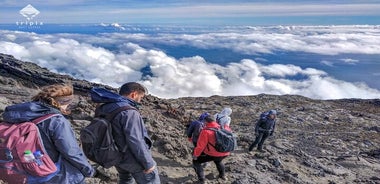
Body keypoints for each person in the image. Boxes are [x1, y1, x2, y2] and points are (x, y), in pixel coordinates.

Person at [2, 84, 95, 183]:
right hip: (50, 173)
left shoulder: (16, 114)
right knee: (76, 176)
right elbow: (71, 151)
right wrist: (89, 171)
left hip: (22, 171)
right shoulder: (56, 120)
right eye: (69, 103)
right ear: (62, 102)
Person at [90, 82, 160, 184]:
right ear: (134, 94)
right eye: (141, 97)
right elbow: (135, 140)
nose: (140, 101)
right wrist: (148, 163)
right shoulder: (129, 111)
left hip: (116, 156)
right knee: (151, 180)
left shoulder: (104, 107)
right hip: (132, 158)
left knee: (125, 179)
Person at [192, 115, 230, 183]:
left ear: (205, 122)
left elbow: (200, 146)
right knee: (218, 161)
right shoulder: (225, 127)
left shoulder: (205, 131)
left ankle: (202, 180)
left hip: (213, 154)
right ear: (215, 120)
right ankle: (223, 176)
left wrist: (195, 155)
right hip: (225, 152)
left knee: (196, 161)